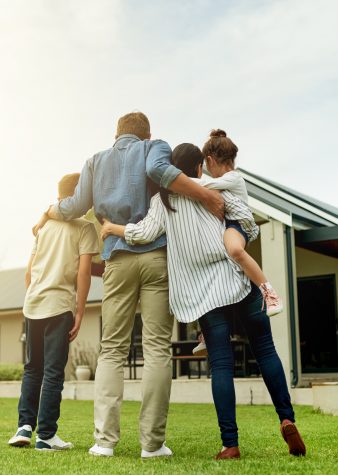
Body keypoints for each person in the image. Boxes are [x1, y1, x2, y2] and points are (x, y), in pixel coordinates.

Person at [32, 112, 224, 458]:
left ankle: (104, 442)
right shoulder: (154, 147)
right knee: (156, 349)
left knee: (112, 350)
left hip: (117, 260)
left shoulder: (95, 161)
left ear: (116, 134)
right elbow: (160, 172)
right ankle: (152, 444)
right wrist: (207, 196)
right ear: (147, 133)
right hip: (155, 260)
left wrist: (50, 209)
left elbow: (75, 206)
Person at [101, 143, 306, 460]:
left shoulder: (162, 200)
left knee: (221, 365)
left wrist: (112, 228)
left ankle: (230, 444)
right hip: (236, 280)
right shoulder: (212, 189)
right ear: (199, 167)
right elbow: (244, 220)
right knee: (265, 349)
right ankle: (286, 418)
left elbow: (143, 233)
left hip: (204, 296)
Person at [9, 173, 99, 451]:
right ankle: (46, 435)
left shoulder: (43, 227)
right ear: (79, 197)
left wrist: (34, 293)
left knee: (32, 368)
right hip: (59, 306)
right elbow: (84, 272)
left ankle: (24, 427)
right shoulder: (85, 228)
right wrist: (80, 310)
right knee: (52, 372)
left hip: (33, 304)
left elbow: (28, 272)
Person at [192, 129, 284, 357]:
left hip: (238, 226)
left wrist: (178, 179)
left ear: (210, 161)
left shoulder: (233, 177)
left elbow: (203, 187)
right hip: (227, 227)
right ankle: (204, 331)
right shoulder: (226, 179)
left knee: (234, 250)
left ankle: (269, 292)